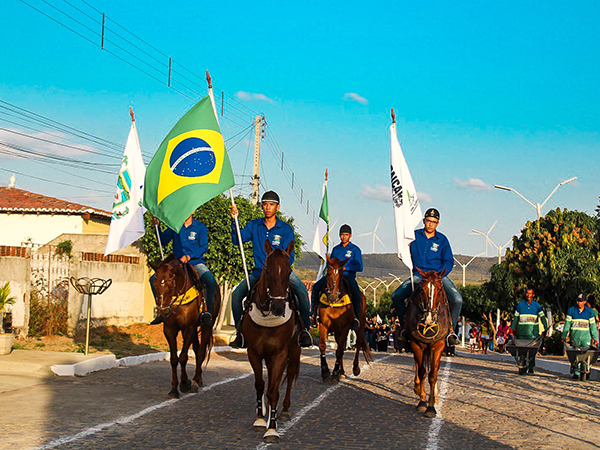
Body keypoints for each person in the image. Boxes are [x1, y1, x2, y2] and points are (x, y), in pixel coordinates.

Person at [229, 191, 312, 348]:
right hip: (258, 272)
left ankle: (305, 331)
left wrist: (280, 270)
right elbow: (237, 239)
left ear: (278, 207)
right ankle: (240, 333)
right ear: (262, 206)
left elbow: (290, 255)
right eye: (265, 204)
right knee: (235, 296)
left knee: (302, 293)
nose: (268, 207)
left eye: (271, 204)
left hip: (280, 274)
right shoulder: (254, 225)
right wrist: (234, 221)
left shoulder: (286, 229)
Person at [391, 208, 463, 346]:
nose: (430, 224)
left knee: (458, 300)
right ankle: (405, 328)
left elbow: (449, 261)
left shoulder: (442, 239)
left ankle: (451, 332)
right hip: (420, 275)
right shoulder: (414, 236)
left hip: (437, 277)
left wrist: (440, 273)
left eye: (434, 222)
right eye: (428, 221)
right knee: (396, 296)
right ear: (424, 221)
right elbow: (404, 250)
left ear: (438, 224)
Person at [150, 214, 217, 327]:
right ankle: (161, 310)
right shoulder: (175, 225)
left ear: (193, 211)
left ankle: (207, 312)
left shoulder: (200, 227)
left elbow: (203, 246)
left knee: (210, 282)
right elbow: (163, 240)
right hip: (177, 263)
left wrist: (189, 256)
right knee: (153, 279)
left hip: (195, 262)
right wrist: (157, 227)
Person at [311, 224, 363, 331]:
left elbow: (359, 266)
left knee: (356, 293)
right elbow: (331, 263)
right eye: (342, 235)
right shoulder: (336, 249)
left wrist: (345, 268)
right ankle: (313, 314)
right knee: (316, 287)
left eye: (346, 235)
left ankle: (356, 318)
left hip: (348, 277)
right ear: (339, 235)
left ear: (350, 235)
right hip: (333, 277)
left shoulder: (355, 250)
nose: (344, 237)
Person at [511, 288, 549, 374]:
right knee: (522, 350)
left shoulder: (537, 306)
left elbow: (542, 317)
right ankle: (523, 363)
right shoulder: (520, 305)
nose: (528, 295)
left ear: (533, 295)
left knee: (532, 352)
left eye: (530, 293)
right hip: (521, 333)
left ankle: (531, 367)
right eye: (527, 293)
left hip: (533, 333)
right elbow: (516, 318)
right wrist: (513, 329)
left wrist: (545, 328)